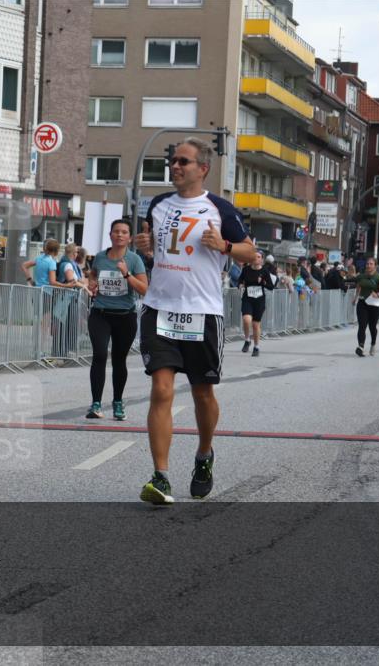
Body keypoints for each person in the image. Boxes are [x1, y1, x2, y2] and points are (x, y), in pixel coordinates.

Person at [132, 137, 256, 505]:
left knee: (202, 393)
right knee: (161, 390)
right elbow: (157, 249)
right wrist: (147, 248)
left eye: (183, 161)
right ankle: (161, 476)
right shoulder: (157, 205)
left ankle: (204, 454)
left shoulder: (219, 209)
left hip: (202, 313)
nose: (175, 166)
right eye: (173, 161)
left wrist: (226, 247)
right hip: (160, 308)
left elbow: (251, 252)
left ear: (203, 168)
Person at [85, 219, 148, 420]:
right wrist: (92, 284)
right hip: (100, 314)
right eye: (116, 231)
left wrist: (127, 274)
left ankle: (118, 402)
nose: (119, 235)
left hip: (125, 317)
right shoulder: (100, 258)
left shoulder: (134, 260)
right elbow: (93, 277)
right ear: (110, 235)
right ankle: (96, 404)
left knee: (119, 360)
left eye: (124, 232)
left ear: (129, 238)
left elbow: (144, 290)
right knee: (100, 355)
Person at [238, 251, 275, 357]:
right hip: (248, 299)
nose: (256, 259)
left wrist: (263, 282)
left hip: (259, 300)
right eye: (254, 257)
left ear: (262, 260)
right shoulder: (246, 270)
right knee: (246, 319)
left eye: (259, 257)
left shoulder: (264, 271)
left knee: (255, 324)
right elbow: (240, 280)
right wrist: (240, 285)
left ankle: (256, 347)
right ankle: (247, 339)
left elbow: (271, 286)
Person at [348, 256, 379, 357]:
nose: (368, 266)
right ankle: (361, 347)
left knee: (372, 327)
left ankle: (373, 344)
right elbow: (359, 285)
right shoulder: (361, 276)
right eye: (367, 264)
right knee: (362, 325)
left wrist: (378, 294)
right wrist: (355, 297)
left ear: (375, 266)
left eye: (371, 264)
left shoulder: (378, 278)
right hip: (362, 303)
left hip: (374, 304)